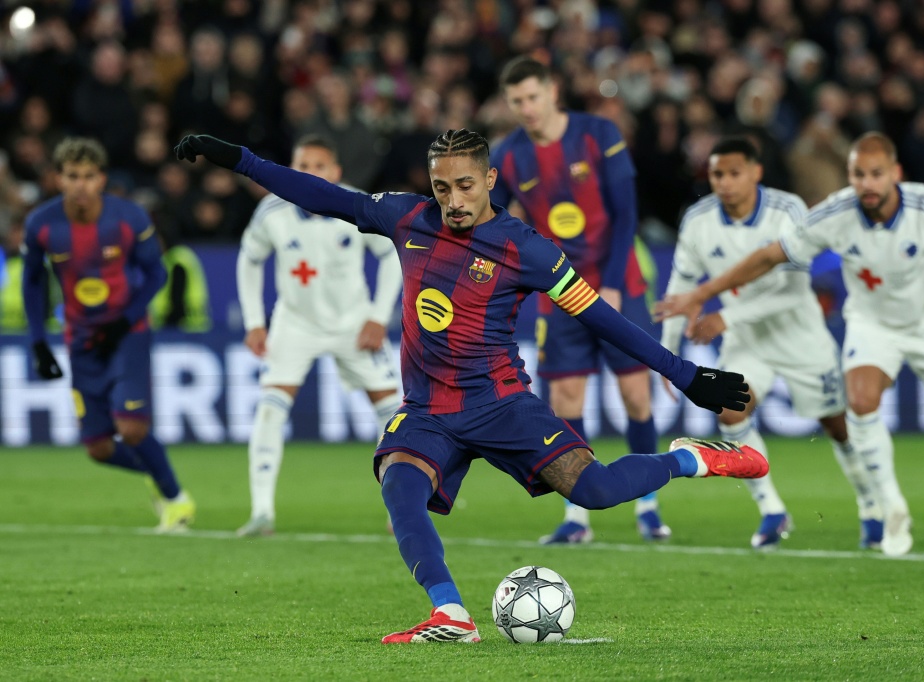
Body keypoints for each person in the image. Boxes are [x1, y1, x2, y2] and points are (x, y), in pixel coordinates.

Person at [174, 129, 767, 643]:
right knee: (398, 484)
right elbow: (324, 196)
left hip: (501, 403)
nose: (452, 200)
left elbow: (599, 317)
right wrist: (239, 160)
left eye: (464, 186)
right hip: (428, 408)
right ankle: (449, 611)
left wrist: (685, 375)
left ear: (489, 180)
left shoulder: (526, 249)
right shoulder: (405, 217)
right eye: (441, 187)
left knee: (597, 491)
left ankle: (690, 460)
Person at [656, 132, 924, 556]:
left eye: (876, 174)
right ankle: (889, 506)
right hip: (871, 325)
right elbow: (768, 257)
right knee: (860, 400)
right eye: (857, 174)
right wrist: (702, 295)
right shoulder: (835, 212)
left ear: (896, 174)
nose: (866, 183)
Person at [661, 137, 882, 550]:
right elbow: (682, 287)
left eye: (733, 174)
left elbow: (795, 290)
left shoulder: (788, 210)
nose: (724, 183)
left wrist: (727, 315)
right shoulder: (699, 219)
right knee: (730, 411)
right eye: (716, 175)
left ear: (756, 173)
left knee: (837, 425)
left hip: (800, 335)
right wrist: (668, 353)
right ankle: (773, 512)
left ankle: (872, 506)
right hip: (748, 342)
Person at [490, 56, 669, 544]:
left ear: (553, 91)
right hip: (559, 291)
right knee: (566, 399)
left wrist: (610, 282)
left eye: (532, 96)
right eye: (517, 101)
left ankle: (648, 509)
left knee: (635, 395)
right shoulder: (508, 155)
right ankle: (576, 516)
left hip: (619, 284)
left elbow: (626, 214)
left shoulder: (598, 134)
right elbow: (495, 220)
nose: (526, 108)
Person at [22, 137, 195, 533]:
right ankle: (158, 474)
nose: (80, 185)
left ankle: (176, 500)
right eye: (72, 176)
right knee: (98, 449)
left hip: (127, 333)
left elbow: (157, 273)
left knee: (132, 427)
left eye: (88, 176)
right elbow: (33, 281)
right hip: (80, 339)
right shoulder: (41, 225)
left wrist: (128, 316)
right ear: (58, 179)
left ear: (101, 179)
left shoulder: (129, 219)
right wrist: (37, 341)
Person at [234, 134, 403, 537]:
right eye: (303, 166)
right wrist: (255, 321)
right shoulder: (271, 210)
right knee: (271, 408)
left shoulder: (357, 205)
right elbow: (249, 260)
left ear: (336, 172)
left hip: (353, 324)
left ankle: (401, 509)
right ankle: (261, 512)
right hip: (296, 324)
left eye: (319, 166)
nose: (310, 174)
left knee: (396, 413)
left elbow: (393, 255)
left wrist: (379, 317)